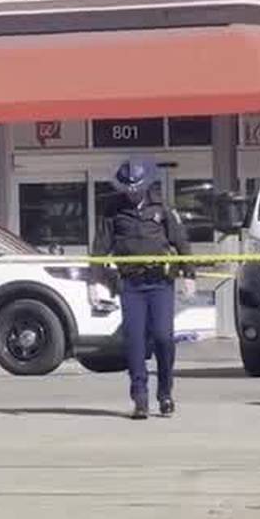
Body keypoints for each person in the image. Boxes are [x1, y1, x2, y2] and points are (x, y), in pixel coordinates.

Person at [92, 156, 196, 420]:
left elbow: (181, 241)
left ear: (146, 184)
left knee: (163, 336)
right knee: (135, 340)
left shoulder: (162, 207)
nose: (132, 191)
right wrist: (94, 281)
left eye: (136, 186)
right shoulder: (113, 210)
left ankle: (165, 392)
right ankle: (140, 397)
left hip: (160, 282)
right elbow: (100, 248)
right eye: (127, 187)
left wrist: (189, 275)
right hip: (131, 284)